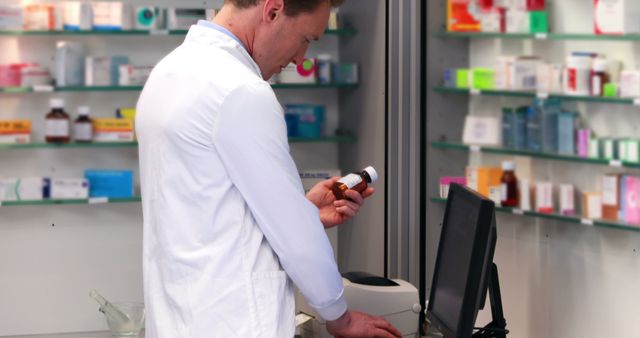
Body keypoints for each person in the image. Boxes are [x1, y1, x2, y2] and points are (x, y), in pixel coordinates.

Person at [136, 0, 402, 337]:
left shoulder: (170, 72)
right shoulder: (241, 90)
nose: (300, 59)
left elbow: (208, 211)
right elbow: (297, 240)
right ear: (273, 10)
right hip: (234, 323)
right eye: (306, 38)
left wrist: (303, 211)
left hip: (180, 319)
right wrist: (341, 318)